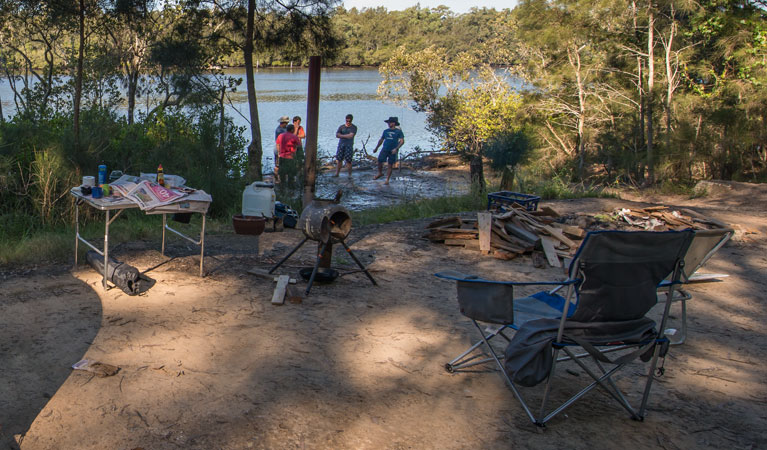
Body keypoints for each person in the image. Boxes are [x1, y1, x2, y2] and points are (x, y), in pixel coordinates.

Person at [372, 116, 404, 185]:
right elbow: (381, 140)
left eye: (390, 123)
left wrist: (396, 148)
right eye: (388, 123)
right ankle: (380, 173)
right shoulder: (385, 131)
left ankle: (387, 180)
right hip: (385, 148)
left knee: (390, 165)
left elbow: (402, 141)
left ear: (394, 123)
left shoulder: (398, 131)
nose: (389, 124)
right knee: (379, 161)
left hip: (393, 150)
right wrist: (376, 148)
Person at [274, 116, 289, 180]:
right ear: (283, 123)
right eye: (286, 123)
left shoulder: (284, 128)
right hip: (279, 148)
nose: (287, 124)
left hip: (283, 148)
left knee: (282, 164)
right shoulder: (279, 130)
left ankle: (282, 177)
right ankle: (277, 178)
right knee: (278, 164)